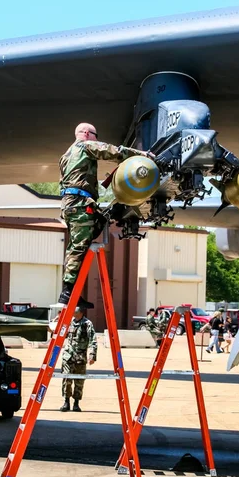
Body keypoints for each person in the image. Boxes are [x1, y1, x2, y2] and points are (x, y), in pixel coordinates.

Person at [58, 123, 155, 308]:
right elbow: (113, 151)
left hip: (70, 205)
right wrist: (144, 156)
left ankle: (72, 291)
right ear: (86, 133)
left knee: (79, 243)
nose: (96, 139)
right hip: (79, 204)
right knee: (78, 247)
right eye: (95, 135)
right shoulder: (85, 146)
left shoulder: (65, 156)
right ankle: (68, 292)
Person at [60, 306, 97, 412]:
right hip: (68, 356)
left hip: (80, 357)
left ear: (80, 313)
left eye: (74, 311)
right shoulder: (69, 322)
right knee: (66, 379)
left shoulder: (87, 324)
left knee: (79, 382)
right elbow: (61, 334)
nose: (72, 313)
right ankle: (66, 402)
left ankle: (76, 403)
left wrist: (92, 355)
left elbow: (93, 340)